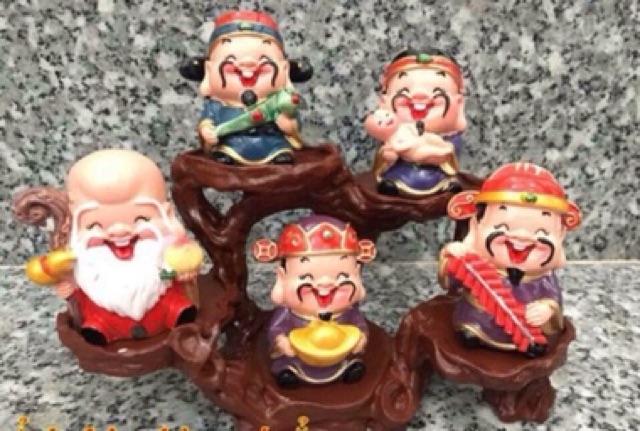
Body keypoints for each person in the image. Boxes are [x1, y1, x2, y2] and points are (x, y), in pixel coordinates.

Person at [53, 149, 201, 346]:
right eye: (95, 225)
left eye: (140, 219)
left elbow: (166, 274)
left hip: (163, 307)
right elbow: (80, 284)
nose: (119, 231)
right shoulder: (86, 265)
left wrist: (181, 272)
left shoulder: (163, 253)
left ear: (166, 214)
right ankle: (99, 332)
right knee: (95, 325)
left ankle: (178, 317)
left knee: (176, 304)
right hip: (104, 318)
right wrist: (69, 289)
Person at [440, 162, 582, 355]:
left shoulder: (542, 277)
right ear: (477, 225)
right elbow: (452, 283)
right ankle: (472, 333)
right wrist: (451, 256)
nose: (522, 237)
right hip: (479, 318)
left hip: (526, 326)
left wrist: (547, 308)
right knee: (470, 328)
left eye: (541, 232)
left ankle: (528, 343)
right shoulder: (475, 263)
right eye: (503, 227)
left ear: (560, 236)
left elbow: (553, 297)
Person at [253, 215, 376, 387]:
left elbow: (359, 325)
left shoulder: (349, 311)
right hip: (299, 359)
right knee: (287, 364)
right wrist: (282, 341)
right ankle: (289, 374)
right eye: (306, 277)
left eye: (343, 276)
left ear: (357, 274)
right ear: (282, 278)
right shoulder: (289, 313)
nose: (325, 284)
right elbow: (276, 329)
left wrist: (361, 337)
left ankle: (348, 369)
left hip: (339, 357)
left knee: (350, 361)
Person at [179, 10, 313, 165]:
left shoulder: (280, 102)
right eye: (231, 59)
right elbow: (207, 121)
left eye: (264, 60)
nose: (248, 63)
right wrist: (206, 131)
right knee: (223, 157)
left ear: (285, 70)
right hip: (232, 145)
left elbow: (294, 121)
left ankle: (278, 157)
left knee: (282, 154)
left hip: (272, 143)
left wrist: (289, 126)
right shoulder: (217, 106)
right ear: (208, 71)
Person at [365, 48, 466, 197]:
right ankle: (392, 186)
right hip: (400, 173)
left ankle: (446, 185)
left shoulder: (448, 136)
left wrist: (435, 150)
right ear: (384, 101)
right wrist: (389, 154)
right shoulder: (394, 135)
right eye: (404, 89)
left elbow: (451, 153)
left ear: (459, 103)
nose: (419, 95)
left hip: (437, 173)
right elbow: (385, 155)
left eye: (437, 89)